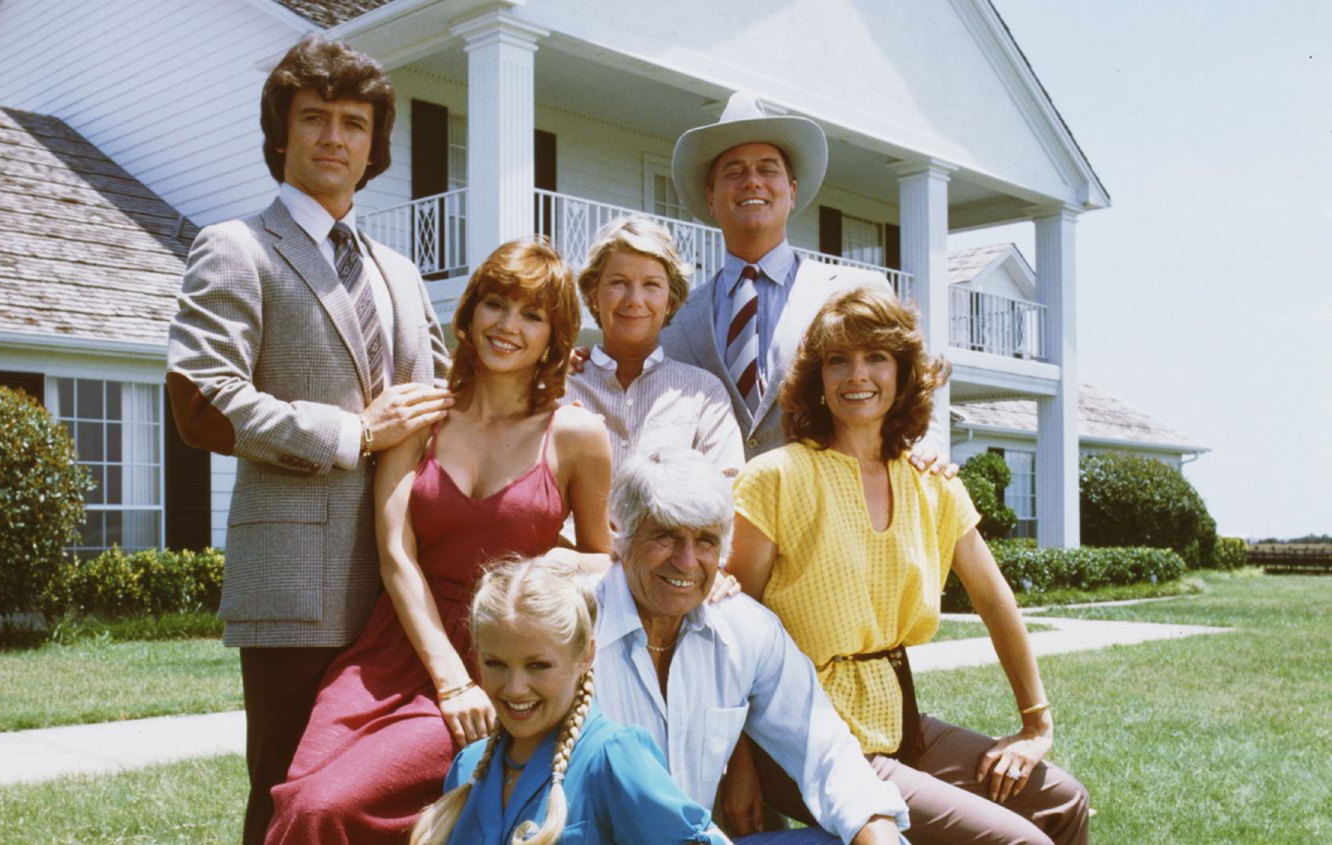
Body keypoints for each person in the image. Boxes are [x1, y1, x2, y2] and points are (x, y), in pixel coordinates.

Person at [165, 36, 451, 845]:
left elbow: (446, 397)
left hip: (410, 591)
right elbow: (200, 400)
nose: (335, 137)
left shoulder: (400, 272)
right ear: (280, 134)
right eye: (315, 118)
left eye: (354, 123)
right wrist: (355, 432)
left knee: (393, 802)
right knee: (287, 796)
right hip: (296, 589)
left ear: (374, 146)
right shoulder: (236, 247)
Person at [265, 237, 614, 844]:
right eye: (496, 304)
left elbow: (599, 560)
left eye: (532, 315)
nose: (507, 326)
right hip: (393, 647)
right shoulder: (419, 417)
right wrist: (449, 678)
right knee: (301, 795)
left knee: (327, 807)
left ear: (556, 339)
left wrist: (542, 564)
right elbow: (396, 554)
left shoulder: (576, 436)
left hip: (499, 660)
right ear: (470, 312)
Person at [726, 287, 1090, 844]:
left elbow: (996, 601)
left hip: (898, 721)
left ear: (902, 373)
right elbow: (730, 635)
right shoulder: (774, 478)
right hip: (806, 741)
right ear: (817, 378)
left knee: (1063, 801)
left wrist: (1035, 724)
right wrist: (739, 764)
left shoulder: (931, 482)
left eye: (876, 357)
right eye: (838, 360)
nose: (857, 375)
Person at [593, 447, 910, 845]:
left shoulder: (744, 628)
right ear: (621, 533)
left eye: (705, 541)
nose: (687, 562)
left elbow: (825, 749)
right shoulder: (569, 627)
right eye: (665, 535)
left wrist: (875, 827)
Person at [410, 555, 731, 845]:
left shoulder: (612, 756)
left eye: (538, 666)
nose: (516, 688)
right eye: (495, 664)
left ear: (585, 656)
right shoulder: (468, 766)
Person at [656, 90, 892, 461]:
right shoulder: (675, 321)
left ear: (792, 192)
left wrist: (927, 451)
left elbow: (911, 396)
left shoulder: (857, 291)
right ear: (711, 198)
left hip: (828, 497)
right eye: (734, 172)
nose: (752, 181)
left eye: (767, 169)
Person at [565, 215, 744, 476]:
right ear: (594, 295)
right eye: (618, 282)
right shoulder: (560, 386)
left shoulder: (703, 394)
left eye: (651, 284)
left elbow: (726, 490)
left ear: (670, 300)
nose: (635, 300)